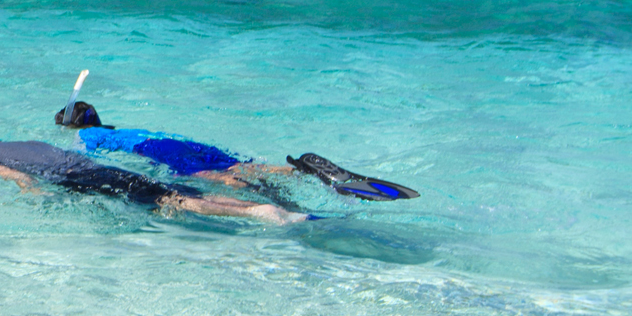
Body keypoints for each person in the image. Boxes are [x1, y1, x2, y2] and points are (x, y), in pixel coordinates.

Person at [0, 119, 308, 224]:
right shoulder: (25, 142)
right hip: (95, 168)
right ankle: (258, 207)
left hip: (80, 179)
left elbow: (19, 178)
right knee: (167, 192)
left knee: (173, 200)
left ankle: (261, 212)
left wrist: (32, 195)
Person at [57, 102, 418, 200]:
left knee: (209, 177)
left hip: (157, 149)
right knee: (236, 164)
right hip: (182, 140)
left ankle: (264, 198)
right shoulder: (114, 127)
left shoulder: (89, 138)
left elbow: (91, 161)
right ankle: (295, 171)